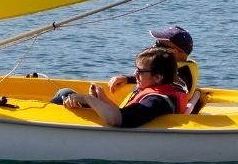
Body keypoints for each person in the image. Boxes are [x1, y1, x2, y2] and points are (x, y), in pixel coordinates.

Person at [56, 47, 187, 127]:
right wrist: (101, 98)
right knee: (66, 93)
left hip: (124, 135)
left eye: (140, 71)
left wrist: (87, 99)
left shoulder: (156, 101)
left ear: (158, 77)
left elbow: (117, 120)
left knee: (62, 95)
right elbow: (125, 113)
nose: (135, 73)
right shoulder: (170, 86)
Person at [107, 25, 195, 95]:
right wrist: (127, 79)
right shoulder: (173, 70)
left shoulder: (182, 75)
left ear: (174, 52)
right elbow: (156, 77)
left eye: (159, 44)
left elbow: (157, 80)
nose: (153, 47)